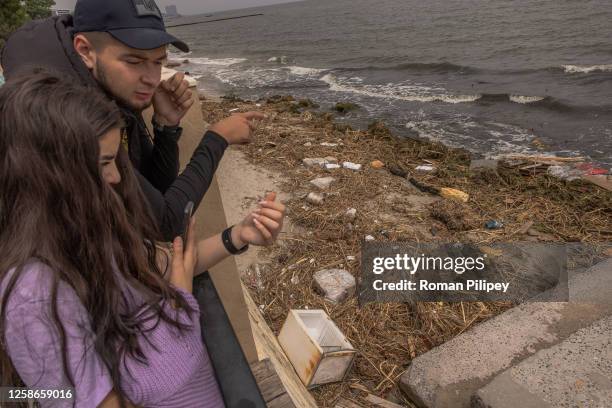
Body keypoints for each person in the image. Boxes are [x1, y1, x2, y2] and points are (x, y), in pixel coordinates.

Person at [0, 73, 285, 407]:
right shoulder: (32, 296)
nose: (116, 177)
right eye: (104, 163)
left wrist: (237, 235)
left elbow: (168, 263)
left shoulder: (85, 231)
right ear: (51, 173)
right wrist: (179, 304)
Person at [1, 0, 264, 240]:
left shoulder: (109, 91)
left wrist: (166, 125)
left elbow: (157, 188)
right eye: (135, 61)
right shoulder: (68, 118)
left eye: (158, 62)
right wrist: (217, 138)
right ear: (85, 50)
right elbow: (166, 224)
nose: (151, 78)